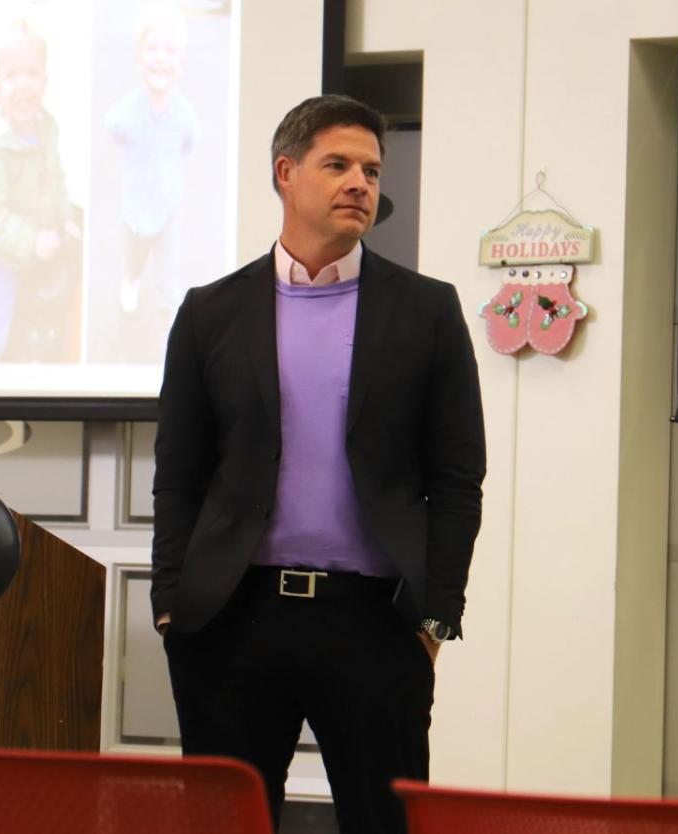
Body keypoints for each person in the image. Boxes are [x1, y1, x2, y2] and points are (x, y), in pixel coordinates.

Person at [151, 94, 486, 834]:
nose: (360, 183)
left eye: (371, 168)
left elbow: (458, 479)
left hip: (373, 624)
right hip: (231, 621)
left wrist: (437, 616)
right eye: (337, 164)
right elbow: (178, 475)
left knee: (383, 824)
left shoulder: (427, 310)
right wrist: (172, 605)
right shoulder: (210, 311)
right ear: (285, 172)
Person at [0, 18, 81, 362]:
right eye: (12, 76)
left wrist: (65, 217)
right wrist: (31, 241)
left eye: (32, 74)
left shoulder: (48, 127)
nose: (24, 86)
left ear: (45, 82)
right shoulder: (1, 144)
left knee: (49, 312)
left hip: (44, 245)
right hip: (7, 256)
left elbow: (56, 179)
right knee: (5, 315)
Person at [105, 1, 198, 316]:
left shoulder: (185, 116)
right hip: (135, 211)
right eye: (152, 49)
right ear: (138, 60)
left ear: (180, 64)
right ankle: (130, 279)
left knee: (168, 273)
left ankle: (171, 318)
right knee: (134, 261)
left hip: (168, 207)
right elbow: (112, 131)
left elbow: (189, 142)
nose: (160, 57)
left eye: (169, 51)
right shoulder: (125, 113)